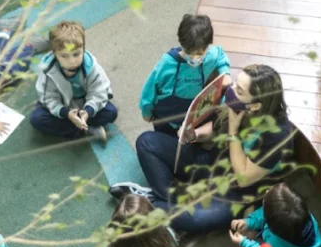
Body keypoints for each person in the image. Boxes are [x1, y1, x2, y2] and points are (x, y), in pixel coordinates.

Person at [110, 64, 297, 233]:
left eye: (239, 90)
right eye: (235, 84)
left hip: (236, 192)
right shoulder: (240, 105)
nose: (231, 90)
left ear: (255, 105)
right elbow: (216, 127)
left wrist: (233, 129)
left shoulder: (277, 137)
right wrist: (195, 134)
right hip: (213, 163)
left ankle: (148, 203)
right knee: (146, 142)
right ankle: (164, 201)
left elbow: (243, 180)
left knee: (197, 219)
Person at [139, 13, 231, 135]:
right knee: (163, 137)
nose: (194, 58)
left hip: (194, 115)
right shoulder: (167, 63)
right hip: (166, 119)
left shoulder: (211, 55)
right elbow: (150, 89)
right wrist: (146, 112)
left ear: (208, 46)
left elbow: (220, 55)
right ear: (181, 44)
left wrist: (225, 73)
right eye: (189, 52)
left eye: (199, 53)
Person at [29, 21, 117, 142]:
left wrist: (88, 112)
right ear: (54, 54)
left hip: (84, 107)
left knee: (111, 112)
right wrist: (67, 113)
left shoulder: (92, 67)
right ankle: (87, 129)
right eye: (64, 56)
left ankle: (78, 128)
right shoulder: (47, 71)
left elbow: (99, 93)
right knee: (37, 118)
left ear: (84, 49)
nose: (71, 61)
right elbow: (49, 99)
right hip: (63, 108)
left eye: (76, 54)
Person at [230, 182, 321, 247]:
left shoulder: (278, 245)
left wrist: (243, 241)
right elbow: (265, 213)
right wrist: (248, 222)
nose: (266, 191)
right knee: (256, 230)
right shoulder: (300, 215)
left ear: (271, 223)